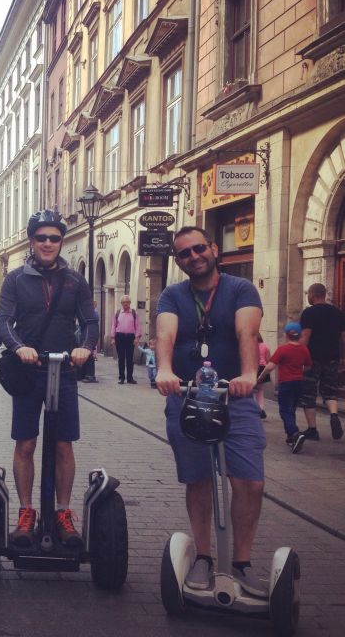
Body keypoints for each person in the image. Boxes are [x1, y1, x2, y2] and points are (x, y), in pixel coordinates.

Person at [156, 226, 268, 597]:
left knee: (250, 482)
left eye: (199, 248)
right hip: (187, 397)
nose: (193, 256)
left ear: (214, 249)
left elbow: (246, 332)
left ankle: (241, 562)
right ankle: (203, 556)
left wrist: (249, 373)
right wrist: (165, 370)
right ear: (178, 261)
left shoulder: (240, 289)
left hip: (234, 397)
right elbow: (166, 335)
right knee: (198, 479)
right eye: (184, 253)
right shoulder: (172, 295)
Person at [0, 210, 98, 548]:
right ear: (32, 241)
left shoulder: (74, 280)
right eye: (42, 238)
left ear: (61, 241)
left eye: (54, 238)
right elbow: (3, 321)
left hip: (64, 371)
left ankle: (63, 512)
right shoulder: (15, 280)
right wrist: (18, 347)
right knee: (26, 443)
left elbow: (90, 321)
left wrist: (85, 348)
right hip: (28, 372)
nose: (48, 243)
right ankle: (26, 512)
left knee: (63, 444)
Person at [256, 322, 312, 454]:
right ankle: (291, 437)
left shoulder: (283, 349)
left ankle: (295, 433)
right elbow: (308, 366)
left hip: (286, 383)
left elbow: (270, 366)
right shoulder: (304, 349)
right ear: (299, 335)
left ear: (287, 335)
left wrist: (261, 376)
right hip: (299, 383)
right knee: (291, 409)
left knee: (284, 411)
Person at [299, 283, 345, 441]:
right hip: (332, 357)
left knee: (308, 393)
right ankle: (333, 415)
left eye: (308, 294)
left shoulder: (309, 313)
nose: (308, 296)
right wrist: (341, 358)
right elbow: (343, 338)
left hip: (312, 359)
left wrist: (299, 358)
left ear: (312, 294)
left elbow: (305, 336)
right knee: (330, 390)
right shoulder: (338, 313)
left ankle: (312, 429)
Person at [111, 295, 141, 384]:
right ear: (121, 303)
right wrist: (112, 338)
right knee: (121, 358)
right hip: (119, 337)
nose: (125, 304)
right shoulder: (118, 313)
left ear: (130, 303)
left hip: (130, 337)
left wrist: (136, 338)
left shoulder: (134, 313)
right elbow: (113, 325)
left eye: (127, 302)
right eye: (124, 302)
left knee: (130, 358)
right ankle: (121, 377)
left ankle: (130, 378)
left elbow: (138, 326)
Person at [254, 334, 270, 419]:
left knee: (252, 390)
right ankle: (260, 409)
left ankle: (253, 409)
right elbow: (268, 359)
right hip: (263, 368)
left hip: (254, 367)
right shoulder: (265, 346)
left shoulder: (251, 346)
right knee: (260, 391)